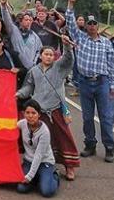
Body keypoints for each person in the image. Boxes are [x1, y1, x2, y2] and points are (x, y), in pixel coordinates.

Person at [16, 38, 80, 180]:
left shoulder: (59, 67)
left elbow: (69, 59)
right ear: (40, 55)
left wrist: (66, 45)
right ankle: (44, 165)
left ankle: (70, 167)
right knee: (43, 139)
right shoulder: (33, 71)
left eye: (51, 55)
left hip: (56, 108)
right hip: (40, 110)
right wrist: (19, 94)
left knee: (64, 136)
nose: (49, 57)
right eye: (46, 54)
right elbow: (28, 87)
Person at [65, 0, 114, 162]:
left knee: (105, 117)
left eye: (95, 23)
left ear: (98, 26)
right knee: (87, 117)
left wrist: (113, 86)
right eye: (89, 23)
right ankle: (90, 145)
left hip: (102, 82)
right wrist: (70, 4)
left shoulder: (106, 43)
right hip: (85, 83)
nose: (92, 26)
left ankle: (109, 147)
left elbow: (111, 66)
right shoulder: (80, 38)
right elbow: (70, 23)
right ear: (86, 26)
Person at [16, 99, 59, 198]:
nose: (30, 116)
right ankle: (37, 177)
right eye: (27, 113)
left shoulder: (44, 132)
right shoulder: (22, 124)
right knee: (21, 188)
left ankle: (55, 175)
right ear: (23, 113)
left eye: (33, 113)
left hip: (44, 162)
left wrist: (29, 176)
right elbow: (9, 129)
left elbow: (39, 156)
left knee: (46, 191)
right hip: (28, 161)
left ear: (39, 115)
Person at [0, 0, 43, 70]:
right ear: (20, 21)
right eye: (26, 20)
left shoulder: (35, 36)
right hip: (15, 67)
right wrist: (3, 7)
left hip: (30, 68)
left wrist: (34, 62)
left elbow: (40, 50)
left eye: (30, 20)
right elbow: (7, 21)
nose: (28, 22)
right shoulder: (14, 31)